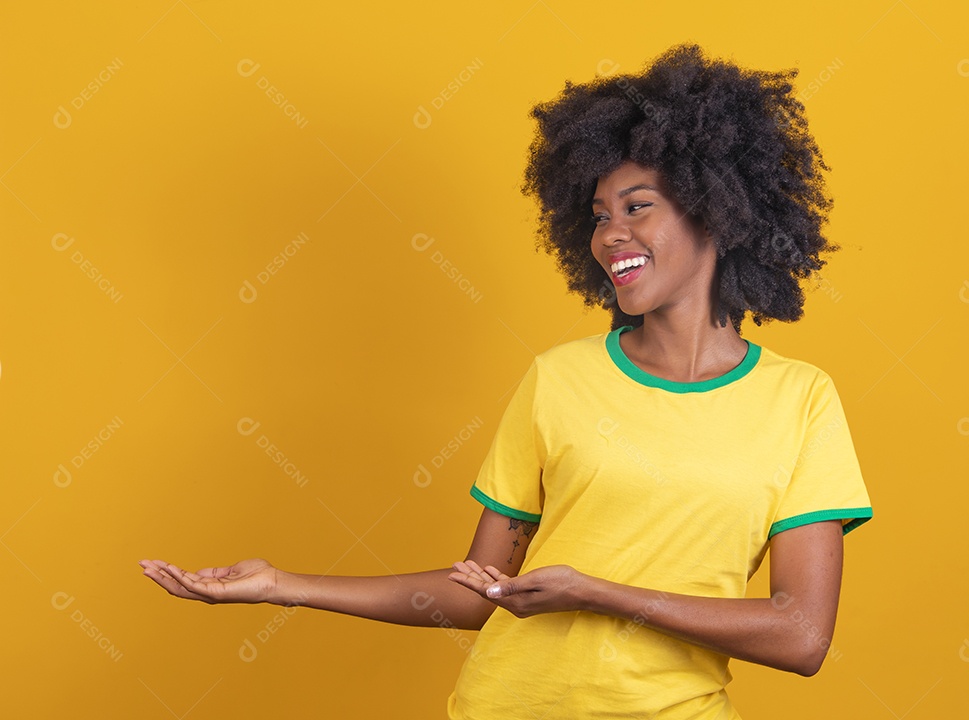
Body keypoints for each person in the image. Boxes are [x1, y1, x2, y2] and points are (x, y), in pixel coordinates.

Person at [140, 43, 873, 719]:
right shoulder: (559, 379)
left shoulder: (800, 400)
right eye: (597, 217)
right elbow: (476, 593)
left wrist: (598, 595)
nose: (611, 233)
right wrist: (282, 585)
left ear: (716, 211)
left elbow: (801, 636)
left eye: (638, 207)